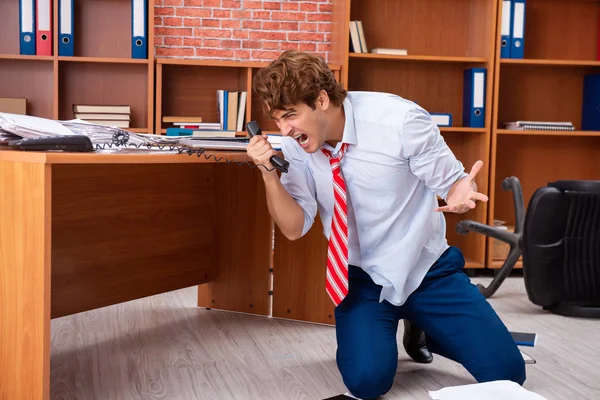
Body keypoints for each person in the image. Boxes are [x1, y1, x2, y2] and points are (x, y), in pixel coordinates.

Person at [247, 50, 525, 400]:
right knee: (367, 382)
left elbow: (453, 182)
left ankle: (423, 325)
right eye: (277, 119)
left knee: (508, 373)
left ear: (320, 100)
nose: (284, 130)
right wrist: (269, 174)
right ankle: (392, 330)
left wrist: (462, 190)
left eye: (291, 115)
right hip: (362, 277)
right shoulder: (295, 146)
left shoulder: (400, 120)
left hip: (425, 269)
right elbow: (293, 227)